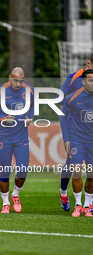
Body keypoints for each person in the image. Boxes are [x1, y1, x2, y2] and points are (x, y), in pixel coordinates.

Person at [0, 67, 34, 213]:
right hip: (5, 137)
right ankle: (5, 202)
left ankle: (15, 194)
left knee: (22, 171)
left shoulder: (29, 90)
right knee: (5, 171)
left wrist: (30, 117)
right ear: (9, 77)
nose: (18, 84)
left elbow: (33, 106)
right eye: (15, 81)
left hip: (21, 137)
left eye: (21, 81)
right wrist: (2, 119)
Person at [59, 54, 93, 212]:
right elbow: (60, 96)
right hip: (76, 129)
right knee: (71, 165)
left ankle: (87, 203)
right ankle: (64, 192)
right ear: (88, 64)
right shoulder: (74, 78)